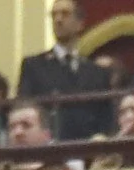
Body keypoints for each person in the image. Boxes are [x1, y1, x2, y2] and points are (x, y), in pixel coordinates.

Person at [16, 0, 111, 140]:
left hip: (88, 150)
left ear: (80, 23)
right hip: (49, 149)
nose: (58, 20)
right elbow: (24, 108)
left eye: (65, 14)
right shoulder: (34, 66)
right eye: (54, 15)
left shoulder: (97, 72)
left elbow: (106, 117)